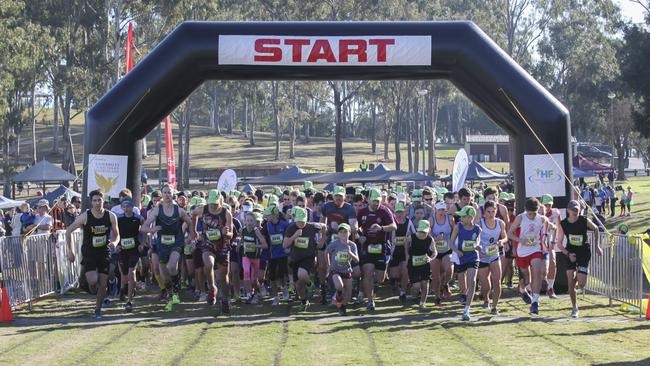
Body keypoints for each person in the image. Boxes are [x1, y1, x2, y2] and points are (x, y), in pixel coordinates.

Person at [65, 189, 120, 319]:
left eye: (99, 200)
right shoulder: (85, 216)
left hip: (104, 252)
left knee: (102, 283)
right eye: (94, 200)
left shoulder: (111, 216)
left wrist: (115, 243)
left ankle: (98, 309)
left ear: (103, 200)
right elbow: (68, 231)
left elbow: (117, 235)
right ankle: (95, 290)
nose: (97, 203)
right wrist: (70, 251)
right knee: (93, 281)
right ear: (91, 202)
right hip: (89, 252)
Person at [141, 185, 194, 311]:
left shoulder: (179, 210)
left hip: (177, 243)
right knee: (165, 276)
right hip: (162, 245)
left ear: (173, 195)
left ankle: (176, 288)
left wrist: (191, 238)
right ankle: (172, 294)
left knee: (171, 266)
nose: (167, 195)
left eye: (169, 193)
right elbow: (143, 227)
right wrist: (152, 229)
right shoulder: (157, 210)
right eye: (165, 193)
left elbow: (190, 222)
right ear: (162, 195)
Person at [556, 200, 602, 318]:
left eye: (576, 209)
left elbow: (596, 228)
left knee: (581, 284)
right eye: (572, 210)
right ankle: (574, 308)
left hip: (583, 253)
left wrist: (597, 246)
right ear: (568, 210)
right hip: (570, 252)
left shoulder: (584, 220)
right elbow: (559, 243)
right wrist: (568, 254)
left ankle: (582, 271)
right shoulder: (563, 224)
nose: (575, 212)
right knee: (570, 283)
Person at [507, 198, 550, 315]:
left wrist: (545, 237)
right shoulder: (520, 218)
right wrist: (520, 240)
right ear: (526, 210)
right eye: (530, 214)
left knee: (537, 272)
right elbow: (509, 234)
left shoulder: (541, 218)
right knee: (527, 280)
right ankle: (522, 289)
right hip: (522, 251)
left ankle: (535, 302)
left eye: (534, 214)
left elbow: (547, 223)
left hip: (535, 249)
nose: (532, 216)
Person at [357, 188, 397, 311]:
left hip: (381, 248)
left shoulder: (385, 211)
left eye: (378, 201)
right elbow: (355, 227)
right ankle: (370, 301)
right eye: (374, 201)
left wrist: (381, 228)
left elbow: (394, 226)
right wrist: (360, 236)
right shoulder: (362, 212)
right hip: (367, 247)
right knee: (368, 273)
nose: (376, 203)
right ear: (368, 200)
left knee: (380, 279)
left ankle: (367, 287)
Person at [196, 189, 233, 313]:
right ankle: (212, 288)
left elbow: (231, 234)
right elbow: (193, 215)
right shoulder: (203, 209)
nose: (213, 206)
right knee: (208, 264)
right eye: (211, 203)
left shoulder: (226, 213)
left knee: (223, 276)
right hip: (208, 243)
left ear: (220, 201)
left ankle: (225, 300)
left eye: (215, 203)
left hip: (222, 245)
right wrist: (193, 231)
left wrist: (226, 233)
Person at [283, 207, 327, 311]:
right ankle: (304, 302)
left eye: (303, 221)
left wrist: (322, 240)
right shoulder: (291, 228)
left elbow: (324, 226)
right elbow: (285, 245)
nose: (301, 224)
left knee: (301, 274)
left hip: (308, 256)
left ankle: (311, 284)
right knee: (298, 286)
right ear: (295, 219)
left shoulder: (313, 226)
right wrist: (294, 236)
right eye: (299, 221)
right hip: (295, 258)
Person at [320, 186, 357, 304]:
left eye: (340, 196)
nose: (338, 199)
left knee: (345, 267)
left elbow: (353, 228)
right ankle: (330, 293)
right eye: (336, 196)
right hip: (331, 240)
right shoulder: (327, 206)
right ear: (333, 196)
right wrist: (324, 233)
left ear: (344, 197)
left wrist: (340, 227)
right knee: (328, 268)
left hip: (344, 241)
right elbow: (322, 223)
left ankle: (346, 294)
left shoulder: (349, 208)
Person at [449, 206, 481, 321]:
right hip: (461, 258)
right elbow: (451, 242)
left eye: (463, 216)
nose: (461, 218)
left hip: (473, 257)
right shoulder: (458, 226)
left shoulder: (477, 229)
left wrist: (478, 246)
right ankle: (463, 295)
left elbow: (477, 241)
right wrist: (457, 251)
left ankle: (467, 309)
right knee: (462, 278)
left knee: (472, 281)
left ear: (470, 217)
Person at [477, 201, 507, 315]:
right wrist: (478, 246)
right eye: (488, 212)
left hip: (494, 255)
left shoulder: (500, 223)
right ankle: (486, 298)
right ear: (484, 212)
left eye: (493, 211)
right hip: (482, 256)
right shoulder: (480, 223)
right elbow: (475, 238)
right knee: (486, 284)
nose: (491, 214)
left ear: (496, 211)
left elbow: (505, 237)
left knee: (497, 281)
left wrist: (501, 241)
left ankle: (494, 307)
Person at [325, 223, 359, 315]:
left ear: (349, 233)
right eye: (341, 232)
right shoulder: (334, 243)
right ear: (338, 234)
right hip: (335, 270)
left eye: (345, 232)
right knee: (339, 286)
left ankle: (342, 307)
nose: (343, 234)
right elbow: (326, 252)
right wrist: (328, 265)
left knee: (348, 294)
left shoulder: (352, 245)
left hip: (347, 270)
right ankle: (337, 300)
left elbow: (356, 260)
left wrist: (350, 253)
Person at [116, 198, 143, 312]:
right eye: (124, 206)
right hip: (122, 250)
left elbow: (144, 229)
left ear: (132, 207)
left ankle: (129, 300)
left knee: (131, 273)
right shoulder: (119, 219)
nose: (127, 208)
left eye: (129, 206)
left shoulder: (137, 218)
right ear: (122, 207)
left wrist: (143, 242)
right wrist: (116, 245)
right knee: (124, 274)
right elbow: (113, 232)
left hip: (134, 250)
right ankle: (123, 289)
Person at [261, 205, 291, 306]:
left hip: (283, 254)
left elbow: (290, 236)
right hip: (272, 254)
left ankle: (285, 289)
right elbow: (262, 235)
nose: (267, 217)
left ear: (274, 215)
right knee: (272, 276)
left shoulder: (285, 224)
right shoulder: (267, 225)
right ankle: (276, 297)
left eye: (268, 215)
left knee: (281, 275)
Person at [405, 220, 436, 310]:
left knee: (425, 283)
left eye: (424, 232)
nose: (422, 234)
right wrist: (407, 254)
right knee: (417, 286)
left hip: (425, 264)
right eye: (421, 231)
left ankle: (422, 303)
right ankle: (413, 294)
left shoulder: (430, 239)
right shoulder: (412, 237)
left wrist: (431, 258)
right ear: (418, 230)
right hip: (413, 264)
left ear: (429, 230)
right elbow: (406, 243)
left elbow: (435, 252)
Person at [429, 201, 455, 306]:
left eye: (443, 210)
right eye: (439, 210)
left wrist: (452, 241)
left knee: (449, 270)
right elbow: (427, 237)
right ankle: (437, 297)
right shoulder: (431, 220)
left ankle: (445, 284)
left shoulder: (450, 219)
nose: (441, 212)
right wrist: (435, 239)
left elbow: (455, 231)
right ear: (435, 210)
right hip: (434, 251)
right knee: (436, 277)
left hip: (447, 249)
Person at [240, 212, 268, 304]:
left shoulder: (256, 231)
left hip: (256, 257)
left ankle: (256, 293)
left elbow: (265, 245)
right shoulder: (242, 230)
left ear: (255, 222)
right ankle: (249, 295)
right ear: (244, 221)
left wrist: (255, 246)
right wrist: (239, 245)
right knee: (246, 272)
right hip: (246, 256)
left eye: (251, 220)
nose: (249, 222)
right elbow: (241, 240)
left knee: (254, 280)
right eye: (247, 220)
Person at [541, 194, 561, 299]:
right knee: (540, 268)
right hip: (538, 242)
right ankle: (528, 289)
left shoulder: (555, 212)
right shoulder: (537, 213)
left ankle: (550, 288)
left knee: (553, 263)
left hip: (550, 241)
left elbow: (558, 227)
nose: (547, 207)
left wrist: (555, 241)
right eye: (545, 205)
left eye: (549, 205)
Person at [388, 202, 409, 303]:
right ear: (394, 213)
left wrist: (409, 239)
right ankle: (394, 282)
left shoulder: (409, 222)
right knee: (395, 275)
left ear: (405, 212)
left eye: (401, 212)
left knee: (405, 272)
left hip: (404, 251)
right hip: (394, 252)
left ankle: (403, 293)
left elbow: (414, 234)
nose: (399, 215)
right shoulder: (391, 222)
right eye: (397, 212)